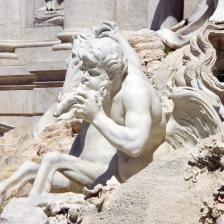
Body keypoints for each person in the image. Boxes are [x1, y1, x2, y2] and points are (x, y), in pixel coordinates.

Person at [0, 23, 166, 204]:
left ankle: (34, 204)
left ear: (113, 74)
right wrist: (118, 38)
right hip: (118, 173)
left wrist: (96, 116)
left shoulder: (135, 91)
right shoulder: (111, 84)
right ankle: (33, 203)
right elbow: (132, 60)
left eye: (92, 73)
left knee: (55, 163)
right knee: (54, 167)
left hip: (143, 183)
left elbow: (135, 146)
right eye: (85, 70)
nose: (85, 77)